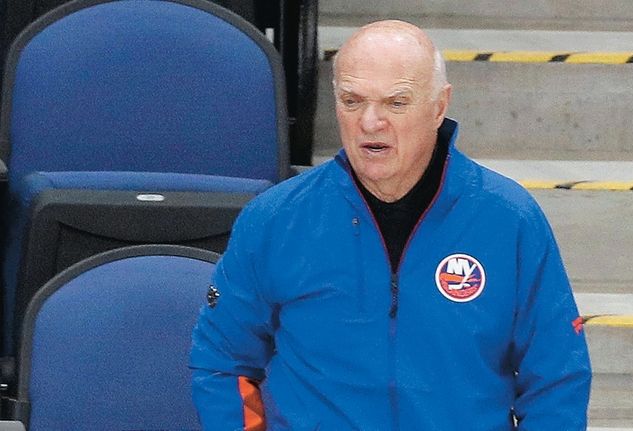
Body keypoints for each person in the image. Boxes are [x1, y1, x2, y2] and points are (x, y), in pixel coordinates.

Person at [190, 20, 591, 430]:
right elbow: (222, 361)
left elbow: (557, 380)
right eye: (352, 101)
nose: (370, 122)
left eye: (396, 103)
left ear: (439, 106)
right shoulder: (274, 219)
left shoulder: (509, 219)